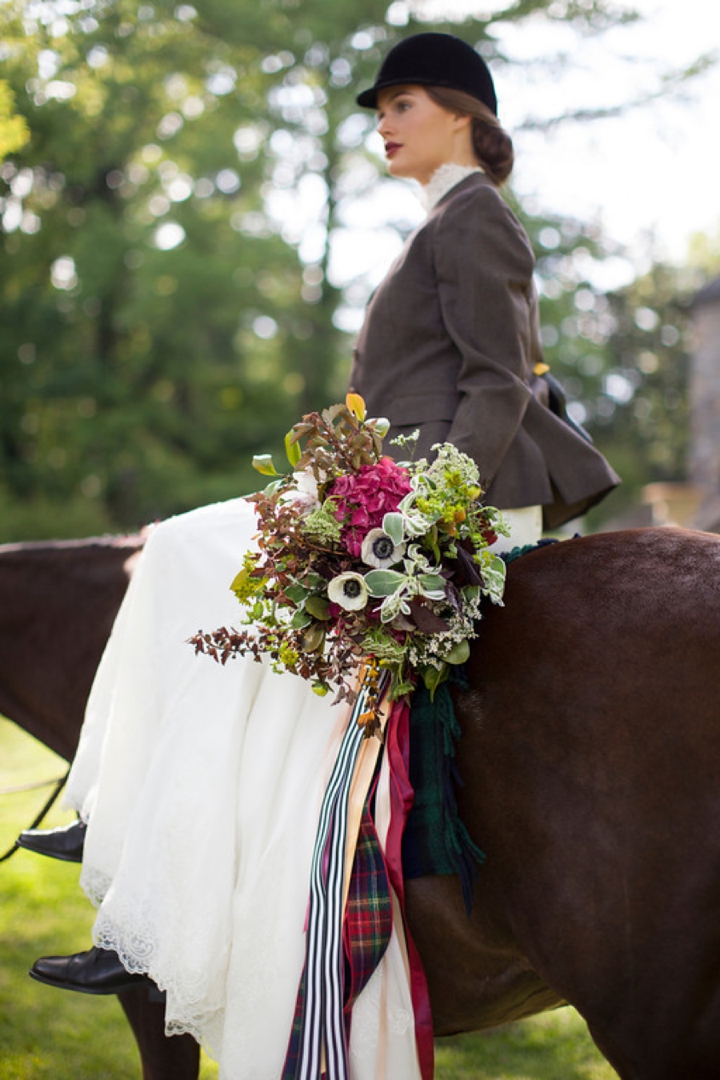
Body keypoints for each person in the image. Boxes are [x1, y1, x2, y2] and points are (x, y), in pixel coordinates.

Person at [19, 31, 619, 1079]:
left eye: (402, 104)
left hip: (437, 496)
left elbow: (497, 388)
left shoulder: (477, 220)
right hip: (393, 488)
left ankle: (137, 841)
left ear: (465, 115)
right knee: (185, 565)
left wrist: (429, 511)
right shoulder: (443, 222)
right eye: (379, 109)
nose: (383, 125)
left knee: (173, 551)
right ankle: (146, 841)